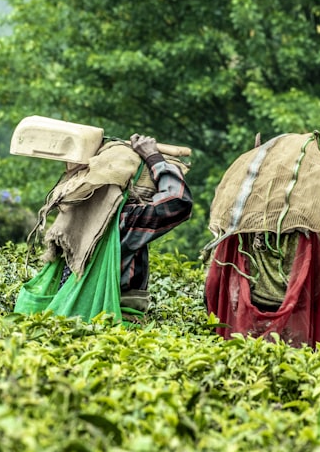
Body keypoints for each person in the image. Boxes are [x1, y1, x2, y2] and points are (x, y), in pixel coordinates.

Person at [202, 132, 320, 347]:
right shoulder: (318, 220)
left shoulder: (240, 221)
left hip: (245, 329)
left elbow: (214, 283)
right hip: (301, 330)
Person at [15, 133, 193, 322]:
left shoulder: (71, 209)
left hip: (62, 315)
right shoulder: (124, 219)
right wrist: (153, 157)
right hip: (111, 319)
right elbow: (178, 202)